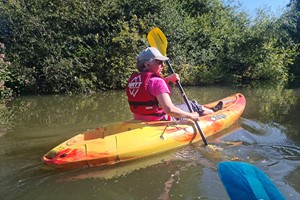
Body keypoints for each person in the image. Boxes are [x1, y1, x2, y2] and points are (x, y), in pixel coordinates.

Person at [126, 47, 223, 121]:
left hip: (140, 120)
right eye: (159, 62)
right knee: (191, 104)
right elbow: (169, 110)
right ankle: (213, 113)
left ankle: (208, 111)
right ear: (147, 64)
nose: (163, 65)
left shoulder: (133, 80)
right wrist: (191, 116)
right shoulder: (157, 82)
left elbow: (150, 88)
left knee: (179, 105)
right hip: (160, 121)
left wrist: (168, 79)